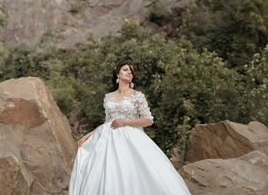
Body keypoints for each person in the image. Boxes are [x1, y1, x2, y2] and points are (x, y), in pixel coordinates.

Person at [69, 61, 191, 194]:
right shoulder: (108, 97)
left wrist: (125, 121)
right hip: (106, 138)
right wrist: (88, 136)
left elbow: (148, 120)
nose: (129, 73)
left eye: (131, 72)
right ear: (117, 73)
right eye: (126, 70)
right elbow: (107, 122)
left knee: (133, 171)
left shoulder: (137, 95)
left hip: (130, 137)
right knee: (105, 171)